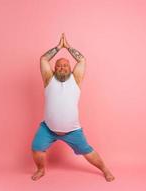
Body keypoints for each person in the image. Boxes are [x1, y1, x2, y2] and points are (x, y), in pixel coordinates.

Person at [31, 33, 115, 182]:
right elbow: (43, 59)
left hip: (73, 131)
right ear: (54, 68)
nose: (62, 67)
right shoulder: (48, 79)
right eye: (59, 65)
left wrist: (67, 47)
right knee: (37, 147)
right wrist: (58, 47)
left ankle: (105, 169)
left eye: (65, 65)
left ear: (70, 68)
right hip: (48, 129)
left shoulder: (75, 79)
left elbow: (82, 60)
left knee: (88, 151)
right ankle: (41, 169)